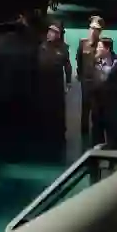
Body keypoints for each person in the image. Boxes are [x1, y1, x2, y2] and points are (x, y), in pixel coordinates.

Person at [36, 21, 72, 157]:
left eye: (54, 32)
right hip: (42, 83)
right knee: (44, 108)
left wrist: (68, 82)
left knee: (58, 109)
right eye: (49, 31)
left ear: (59, 35)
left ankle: (59, 135)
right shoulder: (41, 46)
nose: (50, 34)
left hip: (56, 85)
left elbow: (67, 66)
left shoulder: (63, 48)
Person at [90, 37, 117, 149]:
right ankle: (97, 151)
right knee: (97, 126)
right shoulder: (94, 60)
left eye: (100, 47)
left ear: (107, 49)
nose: (97, 49)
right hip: (97, 101)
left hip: (112, 103)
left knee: (113, 127)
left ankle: (113, 151)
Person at [76, 15, 104, 140]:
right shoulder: (83, 43)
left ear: (100, 31)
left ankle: (96, 132)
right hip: (86, 80)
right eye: (92, 28)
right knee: (85, 106)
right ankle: (84, 131)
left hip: (98, 82)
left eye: (96, 29)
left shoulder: (103, 45)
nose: (93, 31)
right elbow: (79, 59)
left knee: (96, 108)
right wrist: (80, 74)